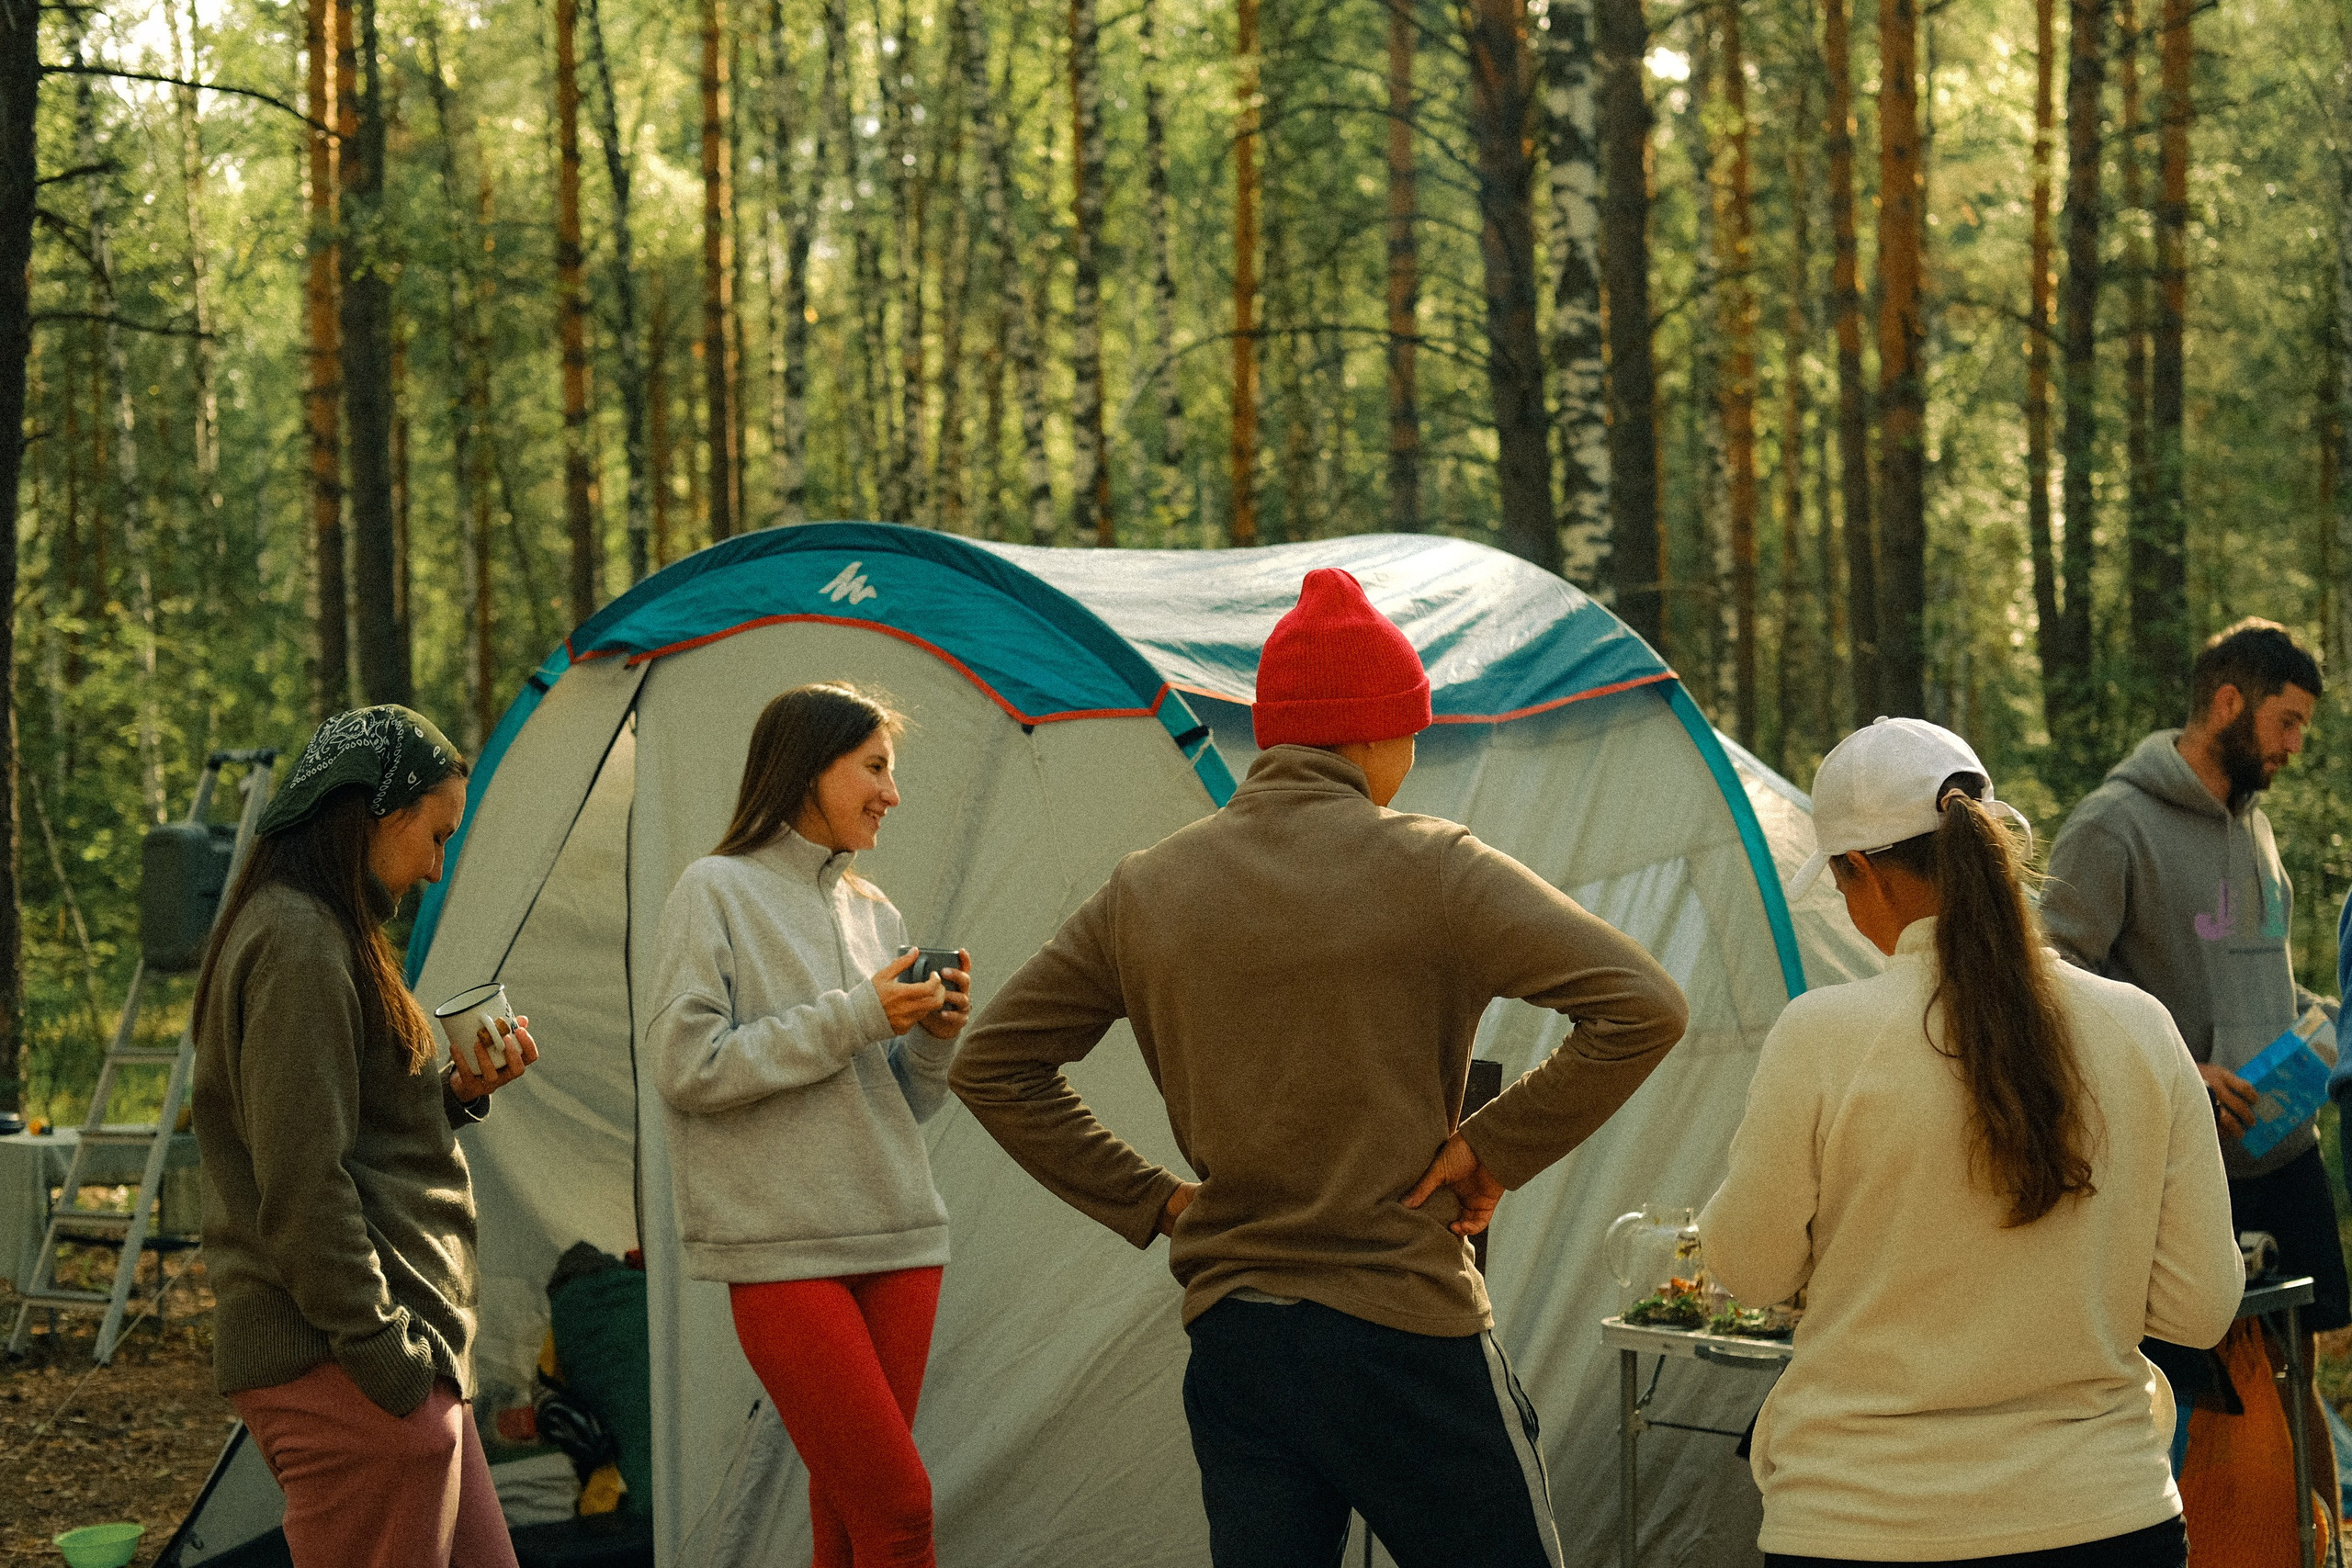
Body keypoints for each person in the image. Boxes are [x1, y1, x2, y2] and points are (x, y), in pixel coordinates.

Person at [951, 569, 1689, 1568]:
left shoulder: (1147, 886)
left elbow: (992, 1065)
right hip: (1404, 1330)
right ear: (1378, 732)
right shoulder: (1435, 865)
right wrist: (1489, 1149)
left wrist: (1159, 1202)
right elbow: (1642, 1006)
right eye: (1411, 731)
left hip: (1240, 1342)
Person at [1699, 717, 2243, 1567]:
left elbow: (1752, 1268)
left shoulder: (1823, 1035)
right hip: (2103, 1515)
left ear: (1858, 870)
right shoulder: (2140, 1027)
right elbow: (2201, 1306)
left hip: (1863, 1522)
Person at [194, 705, 538, 1568]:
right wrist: (389, 1364)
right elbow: (302, 1185)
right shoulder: (298, 940)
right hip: (347, 1368)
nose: (436, 864)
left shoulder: (327, 929)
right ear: (381, 809)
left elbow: (340, 1128)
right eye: (435, 834)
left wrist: (451, 1096)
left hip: (396, 1372)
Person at [645, 682, 970, 1568]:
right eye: (874, 768)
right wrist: (859, 1014)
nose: (891, 794)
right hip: (783, 1249)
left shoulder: (876, 912)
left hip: (901, 1241)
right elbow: (688, 1065)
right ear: (805, 769)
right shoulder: (714, 890)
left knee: (852, 1516)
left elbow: (903, 1101)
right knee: (902, 1515)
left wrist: (933, 1038)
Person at [2040, 618, 2340, 1500]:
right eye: (2286, 722)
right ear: (2226, 702)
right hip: (2183, 1159)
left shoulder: (2258, 828)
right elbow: (2052, 982)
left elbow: (2254, 974)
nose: (2293, 746)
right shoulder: (2111, 824)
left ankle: (2311, 1549)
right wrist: (2179, 1062)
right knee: (2179, 1386)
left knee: (2297, 1375)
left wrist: (2317, 1029)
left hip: (2286, 1150)